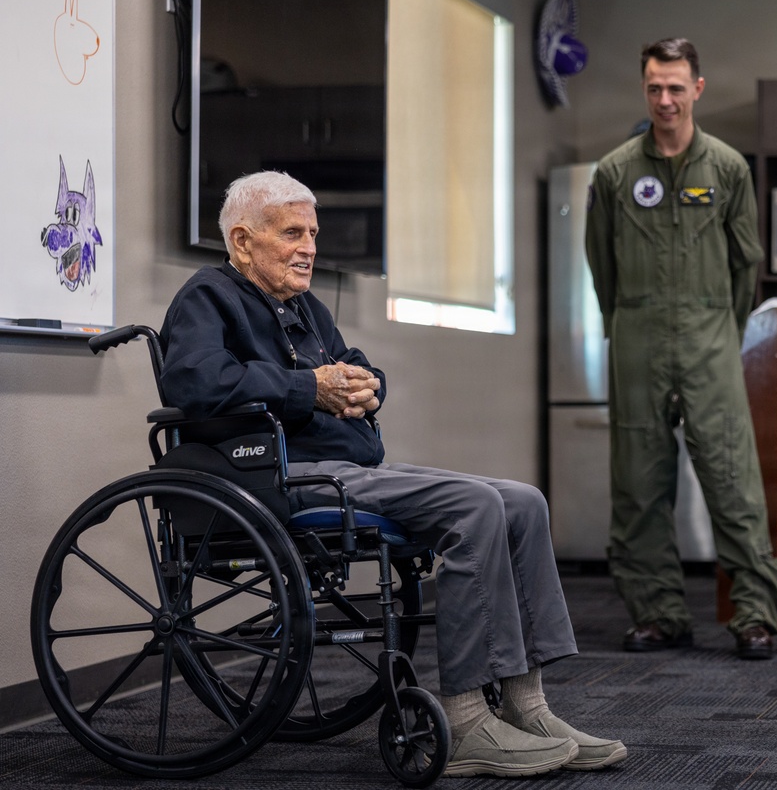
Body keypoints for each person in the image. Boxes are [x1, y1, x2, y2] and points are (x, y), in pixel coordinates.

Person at [158, 170, 626, 778]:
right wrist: (308, 388)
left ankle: (526, 706)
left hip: (346, 467)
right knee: (475, 505)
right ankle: (465, 719)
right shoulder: (207, 296)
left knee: (522, 501)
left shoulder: (304, 307)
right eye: (293, 233)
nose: (309, 247)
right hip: (280, 475)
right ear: (243, 241)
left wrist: (366, 384)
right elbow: (193, 383)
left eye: (313, 234)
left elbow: (349, 363)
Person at [584, 38, 777, 660]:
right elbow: (601, 264)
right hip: (638, 339)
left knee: (732, 478)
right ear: (644, 89)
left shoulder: (728, 168)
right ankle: (658, 613)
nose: (665, 99)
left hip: (709, 337)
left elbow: (746, 262)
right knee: (638, 484)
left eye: (675, 87)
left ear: (697, 88)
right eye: (654, 88)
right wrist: (626, 323)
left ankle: (755, 613)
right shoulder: (615, 172)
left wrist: (719, 326)